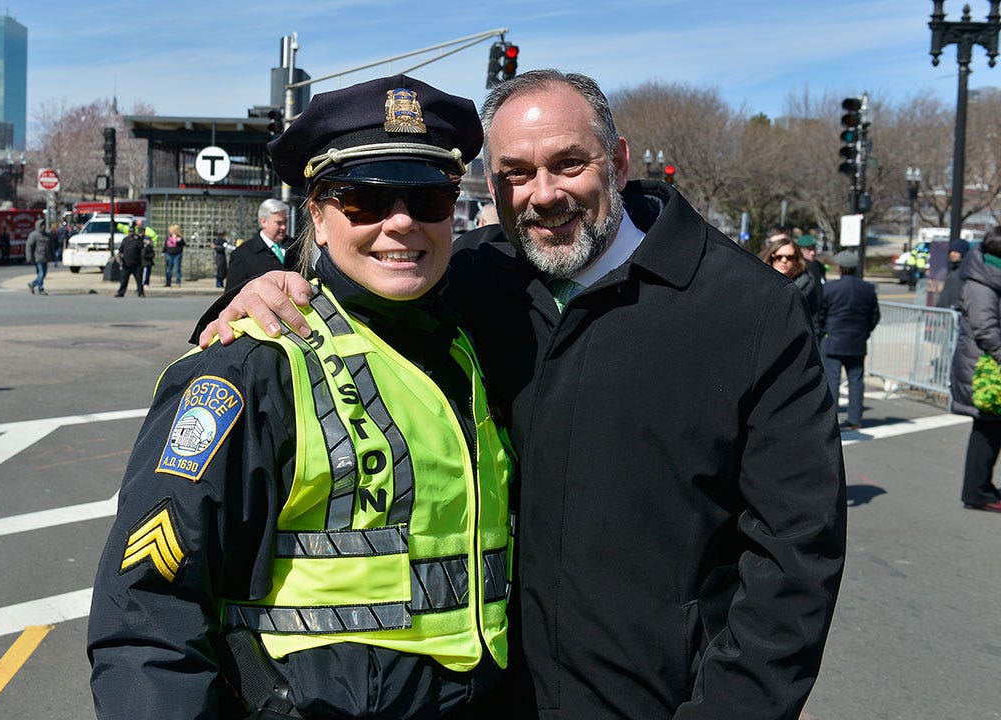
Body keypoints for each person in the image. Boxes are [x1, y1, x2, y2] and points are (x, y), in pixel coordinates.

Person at [202, 69, 847, 719]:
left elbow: (796, 557)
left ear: (619, 163)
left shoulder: (746, 311)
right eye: (515, 173)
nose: (543, 195)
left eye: (569, 164)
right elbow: (363, 280)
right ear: (491, 182)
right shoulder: (467, 280)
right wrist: (274, 290)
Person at [88, 75, 512, 720]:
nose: (401, 222)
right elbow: (147, 619)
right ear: (316, 212)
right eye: (365, 201)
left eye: (427, 197)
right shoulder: (250, 366)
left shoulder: (475, 339)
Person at [950, 228, 1001, 512]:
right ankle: (977, 491)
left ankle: (980, 486)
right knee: (986, 430)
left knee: (990, 431)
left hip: (984, 363)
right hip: (985, 367)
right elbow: (985, 328)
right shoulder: (982, 282)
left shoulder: (987, 276)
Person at [819, 250, 880, 431]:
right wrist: (864, 332)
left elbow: (822, 314)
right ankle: (855, 419)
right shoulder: (868, 289)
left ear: (839, 268)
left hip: (834, 340)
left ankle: (831, 420)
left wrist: (824, 331)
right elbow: (875, 316)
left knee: (832, 380)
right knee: (856, 381)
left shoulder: (830, 289)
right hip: (857, 341)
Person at [226, 198, 293, 289]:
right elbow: (232, 296)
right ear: (263, 222)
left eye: (285, 222)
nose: (284, 227)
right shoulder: (242, 254)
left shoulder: (295, 246)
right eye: (279, 223)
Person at [762, 236, 822, 335]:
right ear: (771, 258)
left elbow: (813, 317)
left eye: (789, 257)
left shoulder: (808, 284)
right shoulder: (760, 283)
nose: (784, 260)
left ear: (796, 260)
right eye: (778, 257)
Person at [937, 237, 970, 311]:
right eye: (951, 251)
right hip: (946, 312)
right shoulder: (952, 270)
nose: (952, 254)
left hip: (955, 311)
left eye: (956, 252)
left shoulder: (965, 272)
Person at [114, 225, 146, 298]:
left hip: (136, 264)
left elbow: (142, 250)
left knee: (139, 280)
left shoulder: (138, 240)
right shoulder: (125, 240)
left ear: (134, 232)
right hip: (126, 264)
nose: (131, 233)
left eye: (132, 232)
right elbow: (121, 249)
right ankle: (121, 293)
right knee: (124, 280)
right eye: (130, 232)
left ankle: (141, 293)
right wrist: (120, 256)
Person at [25, 220, 51, 295]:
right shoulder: (34, 235)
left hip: (45, 257)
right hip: (38, 257)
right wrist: (29, 257)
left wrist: (53, 256)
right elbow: (29, 246)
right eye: (41, 225)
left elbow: (51, 246)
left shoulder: (47, 235)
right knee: (41, 273)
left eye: (44, 225)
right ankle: (41, 289)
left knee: (44, 274)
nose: (43, 227)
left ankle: (32, 284)